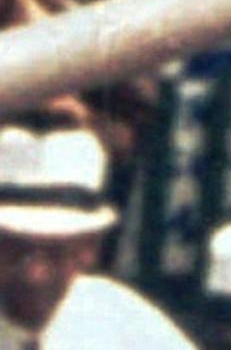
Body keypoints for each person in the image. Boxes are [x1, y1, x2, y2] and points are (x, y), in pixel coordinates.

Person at [0, 121, 195, 346]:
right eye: (16, 251)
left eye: (55, 253)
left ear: (89, 249)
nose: (35, 275)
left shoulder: (123, 322)